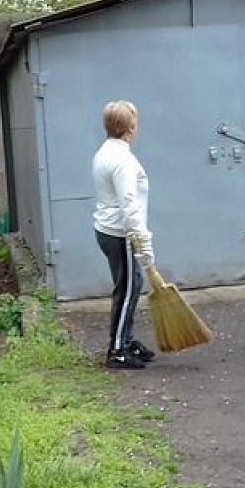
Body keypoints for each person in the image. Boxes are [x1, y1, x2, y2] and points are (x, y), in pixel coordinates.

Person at [91, 100, 157, 370]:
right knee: (128, 291)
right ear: (131, 127)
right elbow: (129, 204)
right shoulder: (122, 160)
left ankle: (126, 340)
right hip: (120, 233)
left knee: (130, 285)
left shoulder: (105, 152)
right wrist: (143, 242)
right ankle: (117, 349)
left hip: (108, 230)